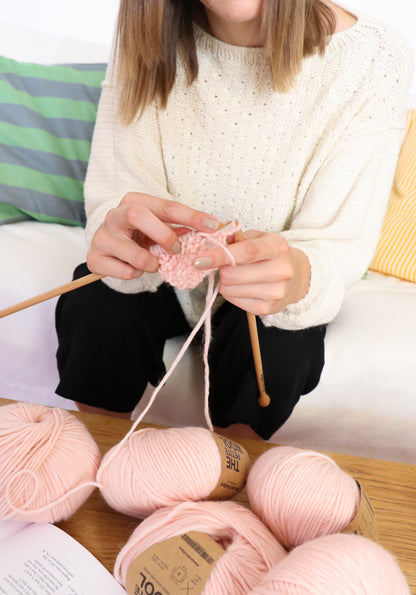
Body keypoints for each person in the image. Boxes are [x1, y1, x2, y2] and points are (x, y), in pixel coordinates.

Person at [55, 0, 413, 440]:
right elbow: (119, 197)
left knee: (279, 348)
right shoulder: (146, 30)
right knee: (94, 304)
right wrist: (120, 237)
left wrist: (297, 277)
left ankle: (229, 468)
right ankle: (95, 450)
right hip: (165, 274)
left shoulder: (374, 56)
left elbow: (337, 245)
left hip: (269, 296)